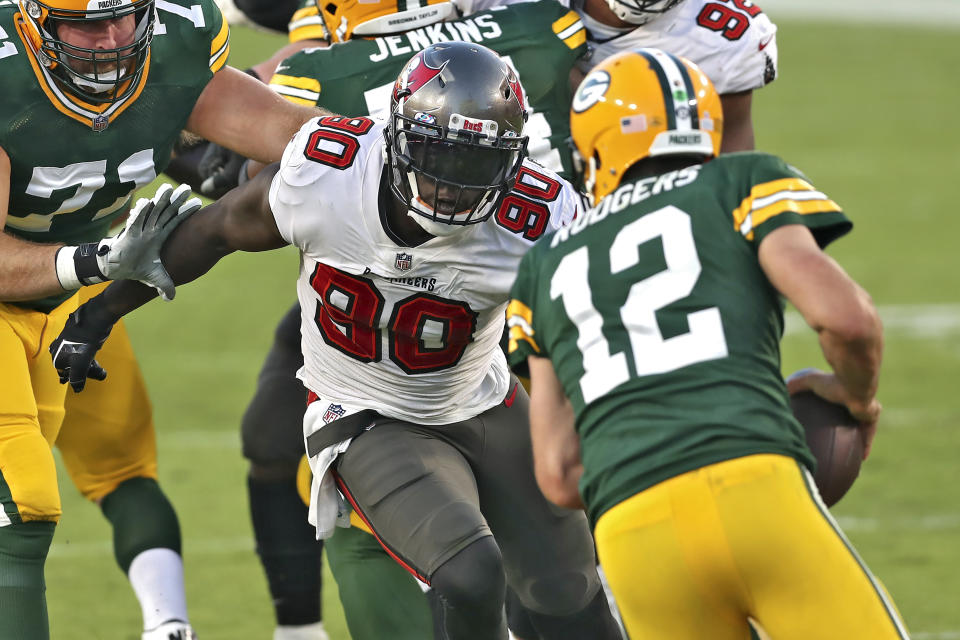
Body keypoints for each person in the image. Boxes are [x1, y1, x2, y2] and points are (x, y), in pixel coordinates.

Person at [50, 41, 622, 640]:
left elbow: (600, 320)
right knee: (471, 574)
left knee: (569, 595)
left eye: (473, 164)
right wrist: (99, 314)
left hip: (482, 399)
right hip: (365, 414)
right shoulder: (329, 175)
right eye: (434, 153)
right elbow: (216, 229)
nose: (449, 186)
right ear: (396, 135)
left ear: (511, 163)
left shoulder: (541, 218)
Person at [505, 47, 909, 639]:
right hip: (753, 487)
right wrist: (855, 399)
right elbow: (846, 320)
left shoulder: (542, 267)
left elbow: (560, 475)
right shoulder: (739, 180)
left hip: (634, 537)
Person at [236, 1, 590, 637]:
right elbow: (237, 204)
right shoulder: (530, 32)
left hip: (481, 355)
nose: (448, 184)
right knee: (453, 563)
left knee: (562, 577)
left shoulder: (325, 73)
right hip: (367, 371)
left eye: (471, 163)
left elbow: (234, 175)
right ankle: (299, 626)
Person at [0, 0, 323, 637]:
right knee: (21, 503)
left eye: (126, 16)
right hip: (33, 278)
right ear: (36, 21)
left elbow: (298, 136)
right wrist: (94, 260)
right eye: (87, 24)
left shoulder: (177, 41)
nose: (113, 39)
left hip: (59, 301)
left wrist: (392, 153)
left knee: (114, 464)